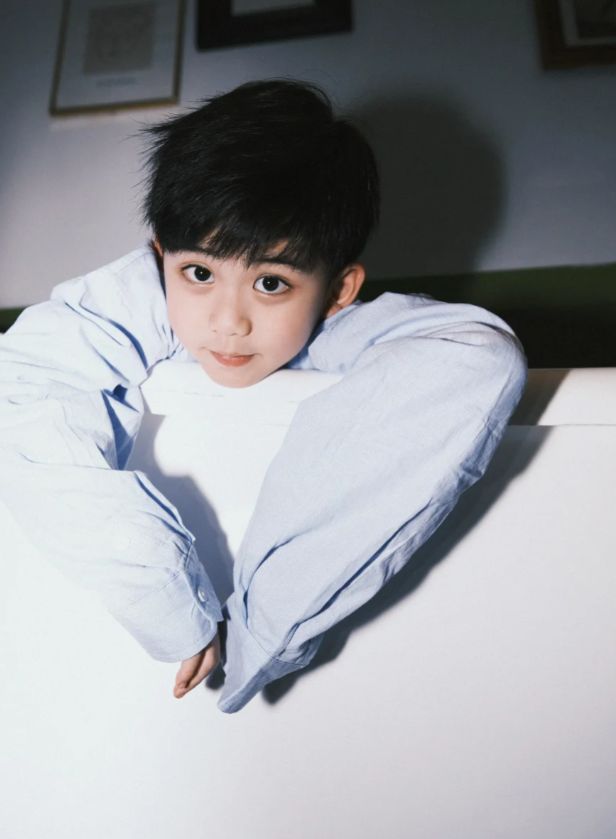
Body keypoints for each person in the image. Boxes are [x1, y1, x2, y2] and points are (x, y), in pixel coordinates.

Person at [0, 80, 526, 713]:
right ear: (161, 258)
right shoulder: (131, 301)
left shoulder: (333, 329)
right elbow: (23, 388)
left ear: (338, 291)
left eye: (271, 283)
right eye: (199, 273)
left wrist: (263, 625)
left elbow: (477, 355)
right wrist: (169, 600)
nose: (229, 322)